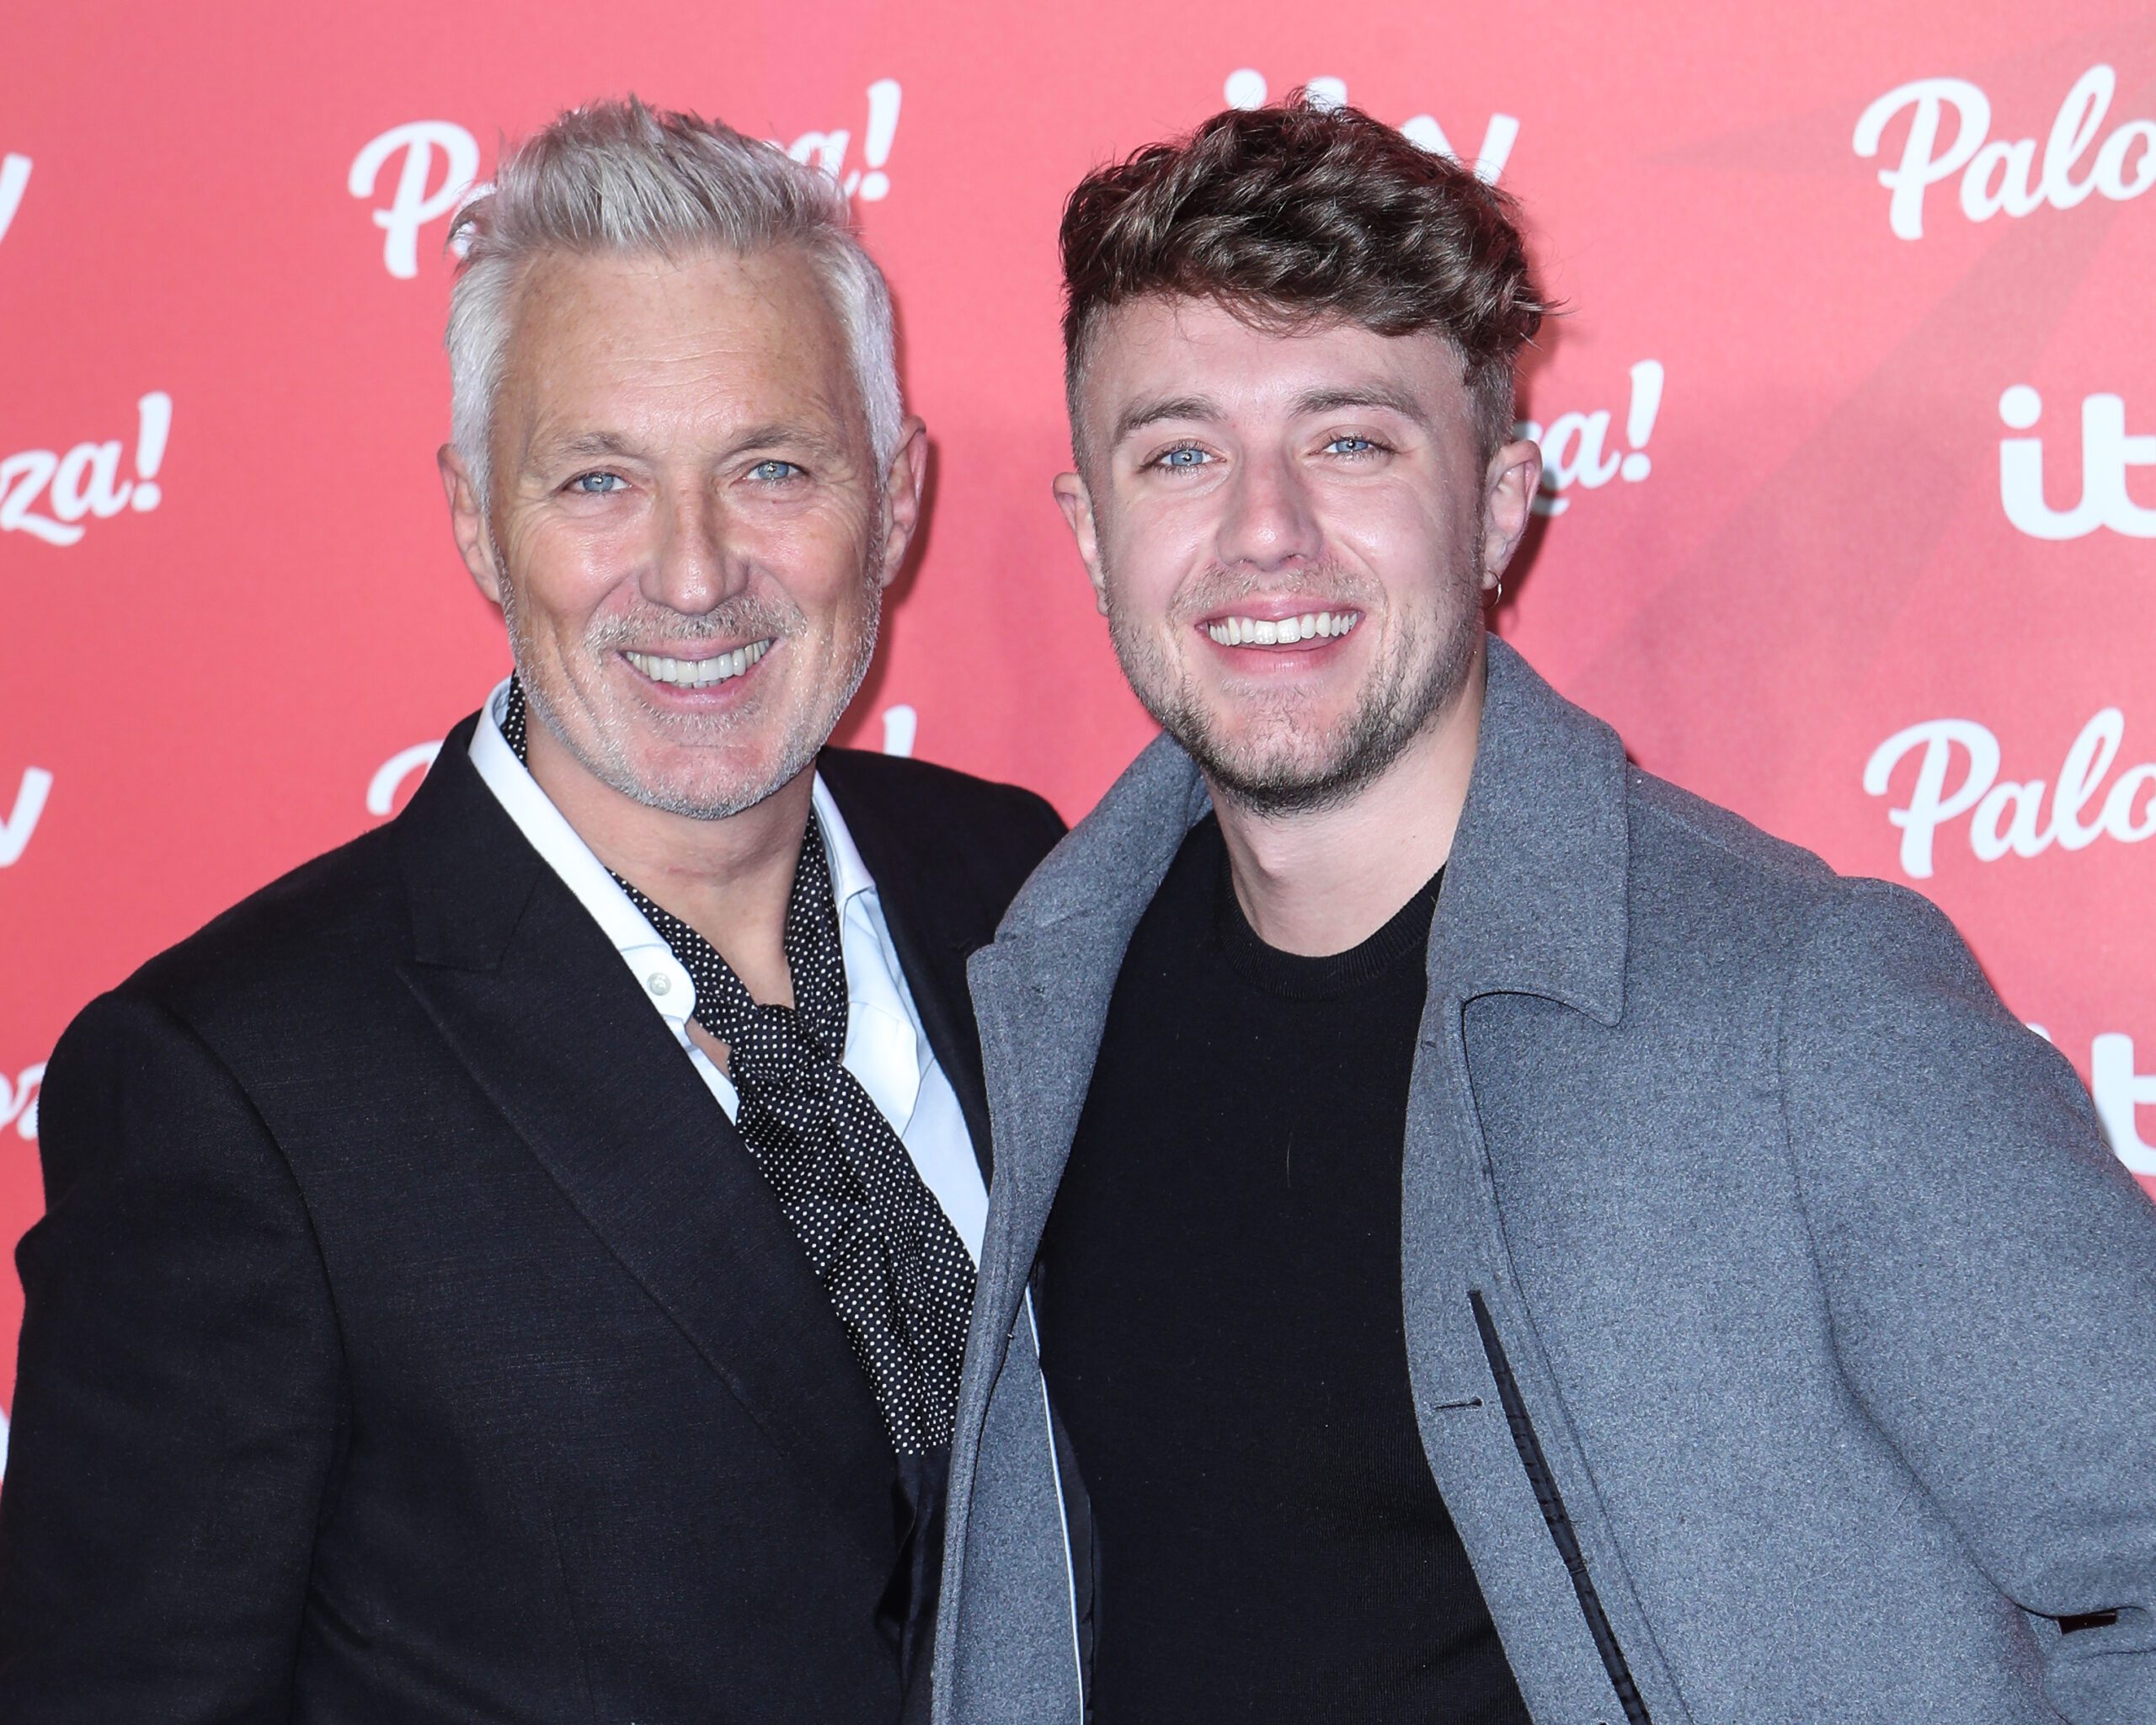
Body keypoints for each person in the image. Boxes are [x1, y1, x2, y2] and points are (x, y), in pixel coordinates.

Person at [931, 98, 2156, 1725]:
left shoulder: (1800, 1005)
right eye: (1180, 454)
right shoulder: (1042, 998)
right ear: (1092, 534)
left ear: (1503, 504)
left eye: (1352, 440)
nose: (1265, 531)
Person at [0, 99, 1061, 1723]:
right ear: (476, 520)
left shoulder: (1018, 887)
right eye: (597, 483)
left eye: (773, 467)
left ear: (896, 499)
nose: (696, 573)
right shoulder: (230, 1088)